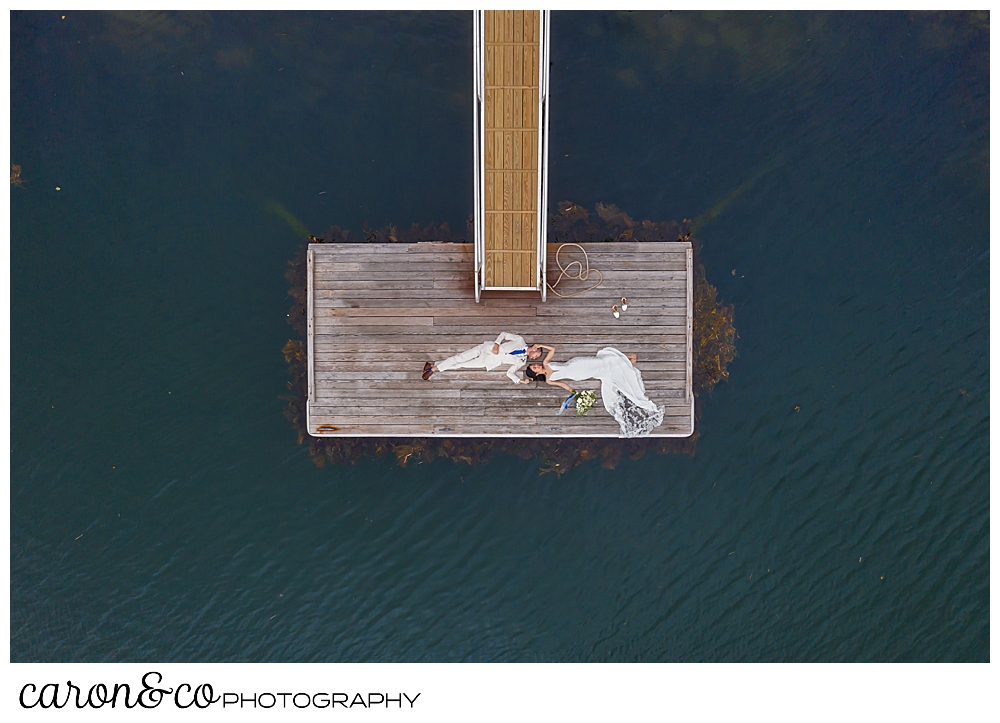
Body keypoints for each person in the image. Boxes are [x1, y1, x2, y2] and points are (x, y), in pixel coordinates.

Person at [524, 346, 664, 438]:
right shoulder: (549, 379)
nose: (536, 366)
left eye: (535, 365)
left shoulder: (546, 363)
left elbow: (552, 350)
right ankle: (624, 361)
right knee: (601, 370)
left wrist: (539, 345)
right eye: (535, 368)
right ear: (536, 375)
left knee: (600, 361)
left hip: (576, 363)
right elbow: (562, 384)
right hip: (577, 374)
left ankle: (624, 360)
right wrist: (572, 390)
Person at [423, 332, 542, 384]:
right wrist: (496, 344)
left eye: (537, 358)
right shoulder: (520, 340)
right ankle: (433, 369)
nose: (535, 358)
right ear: (535, 349)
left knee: (461, 364)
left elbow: (509, 373)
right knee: (460, 358)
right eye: (537, 355)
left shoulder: (522, 361)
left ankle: (434, 366)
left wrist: (519, 380)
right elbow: (504, 334)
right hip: (487, 349)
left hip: (488, 361)